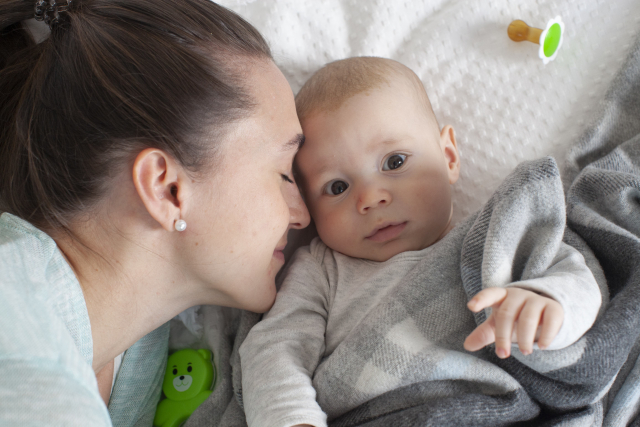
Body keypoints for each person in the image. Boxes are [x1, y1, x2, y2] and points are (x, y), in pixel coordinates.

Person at [239, 57, 603, 427]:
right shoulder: (321, 269)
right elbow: (274, 348)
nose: (370, 198)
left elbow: (577, 278)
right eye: (337, 187)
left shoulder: (493, 234)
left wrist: (544, 303)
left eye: (394, 162)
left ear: (447, 156)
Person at [0, 0, 309, 425]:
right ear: (167, 189)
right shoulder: (13, 322)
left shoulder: (135, 353)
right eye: (283, 174)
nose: (303, 217)